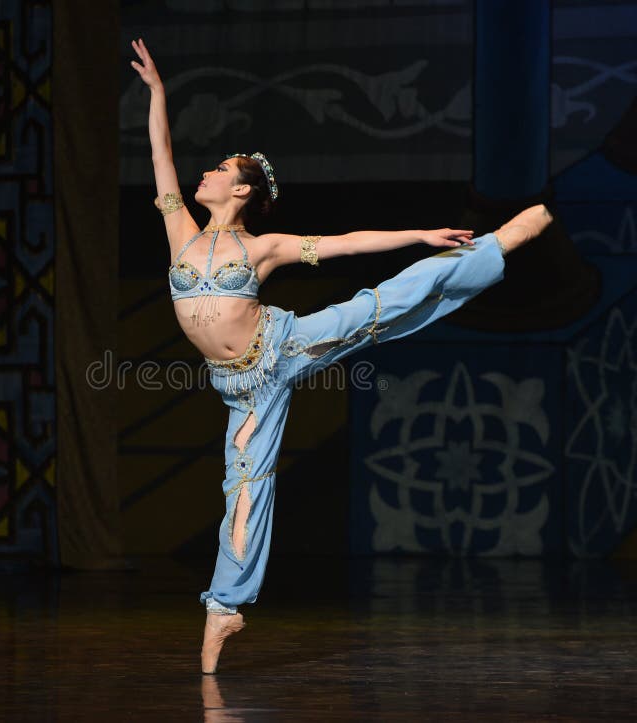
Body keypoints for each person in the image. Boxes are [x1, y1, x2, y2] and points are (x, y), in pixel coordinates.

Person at [129, 37, 553, 674]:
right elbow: (159, 154)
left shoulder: (265, 247)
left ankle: (493, 247)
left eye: (221, 169)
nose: (207, 173)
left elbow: (345, 243)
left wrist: (419, 233)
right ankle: (225, 610)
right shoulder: (179, 230)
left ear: (241, 192)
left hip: (284, 345)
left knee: (381, 305)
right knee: (244, 490)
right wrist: (159, 93)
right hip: (241, 387)